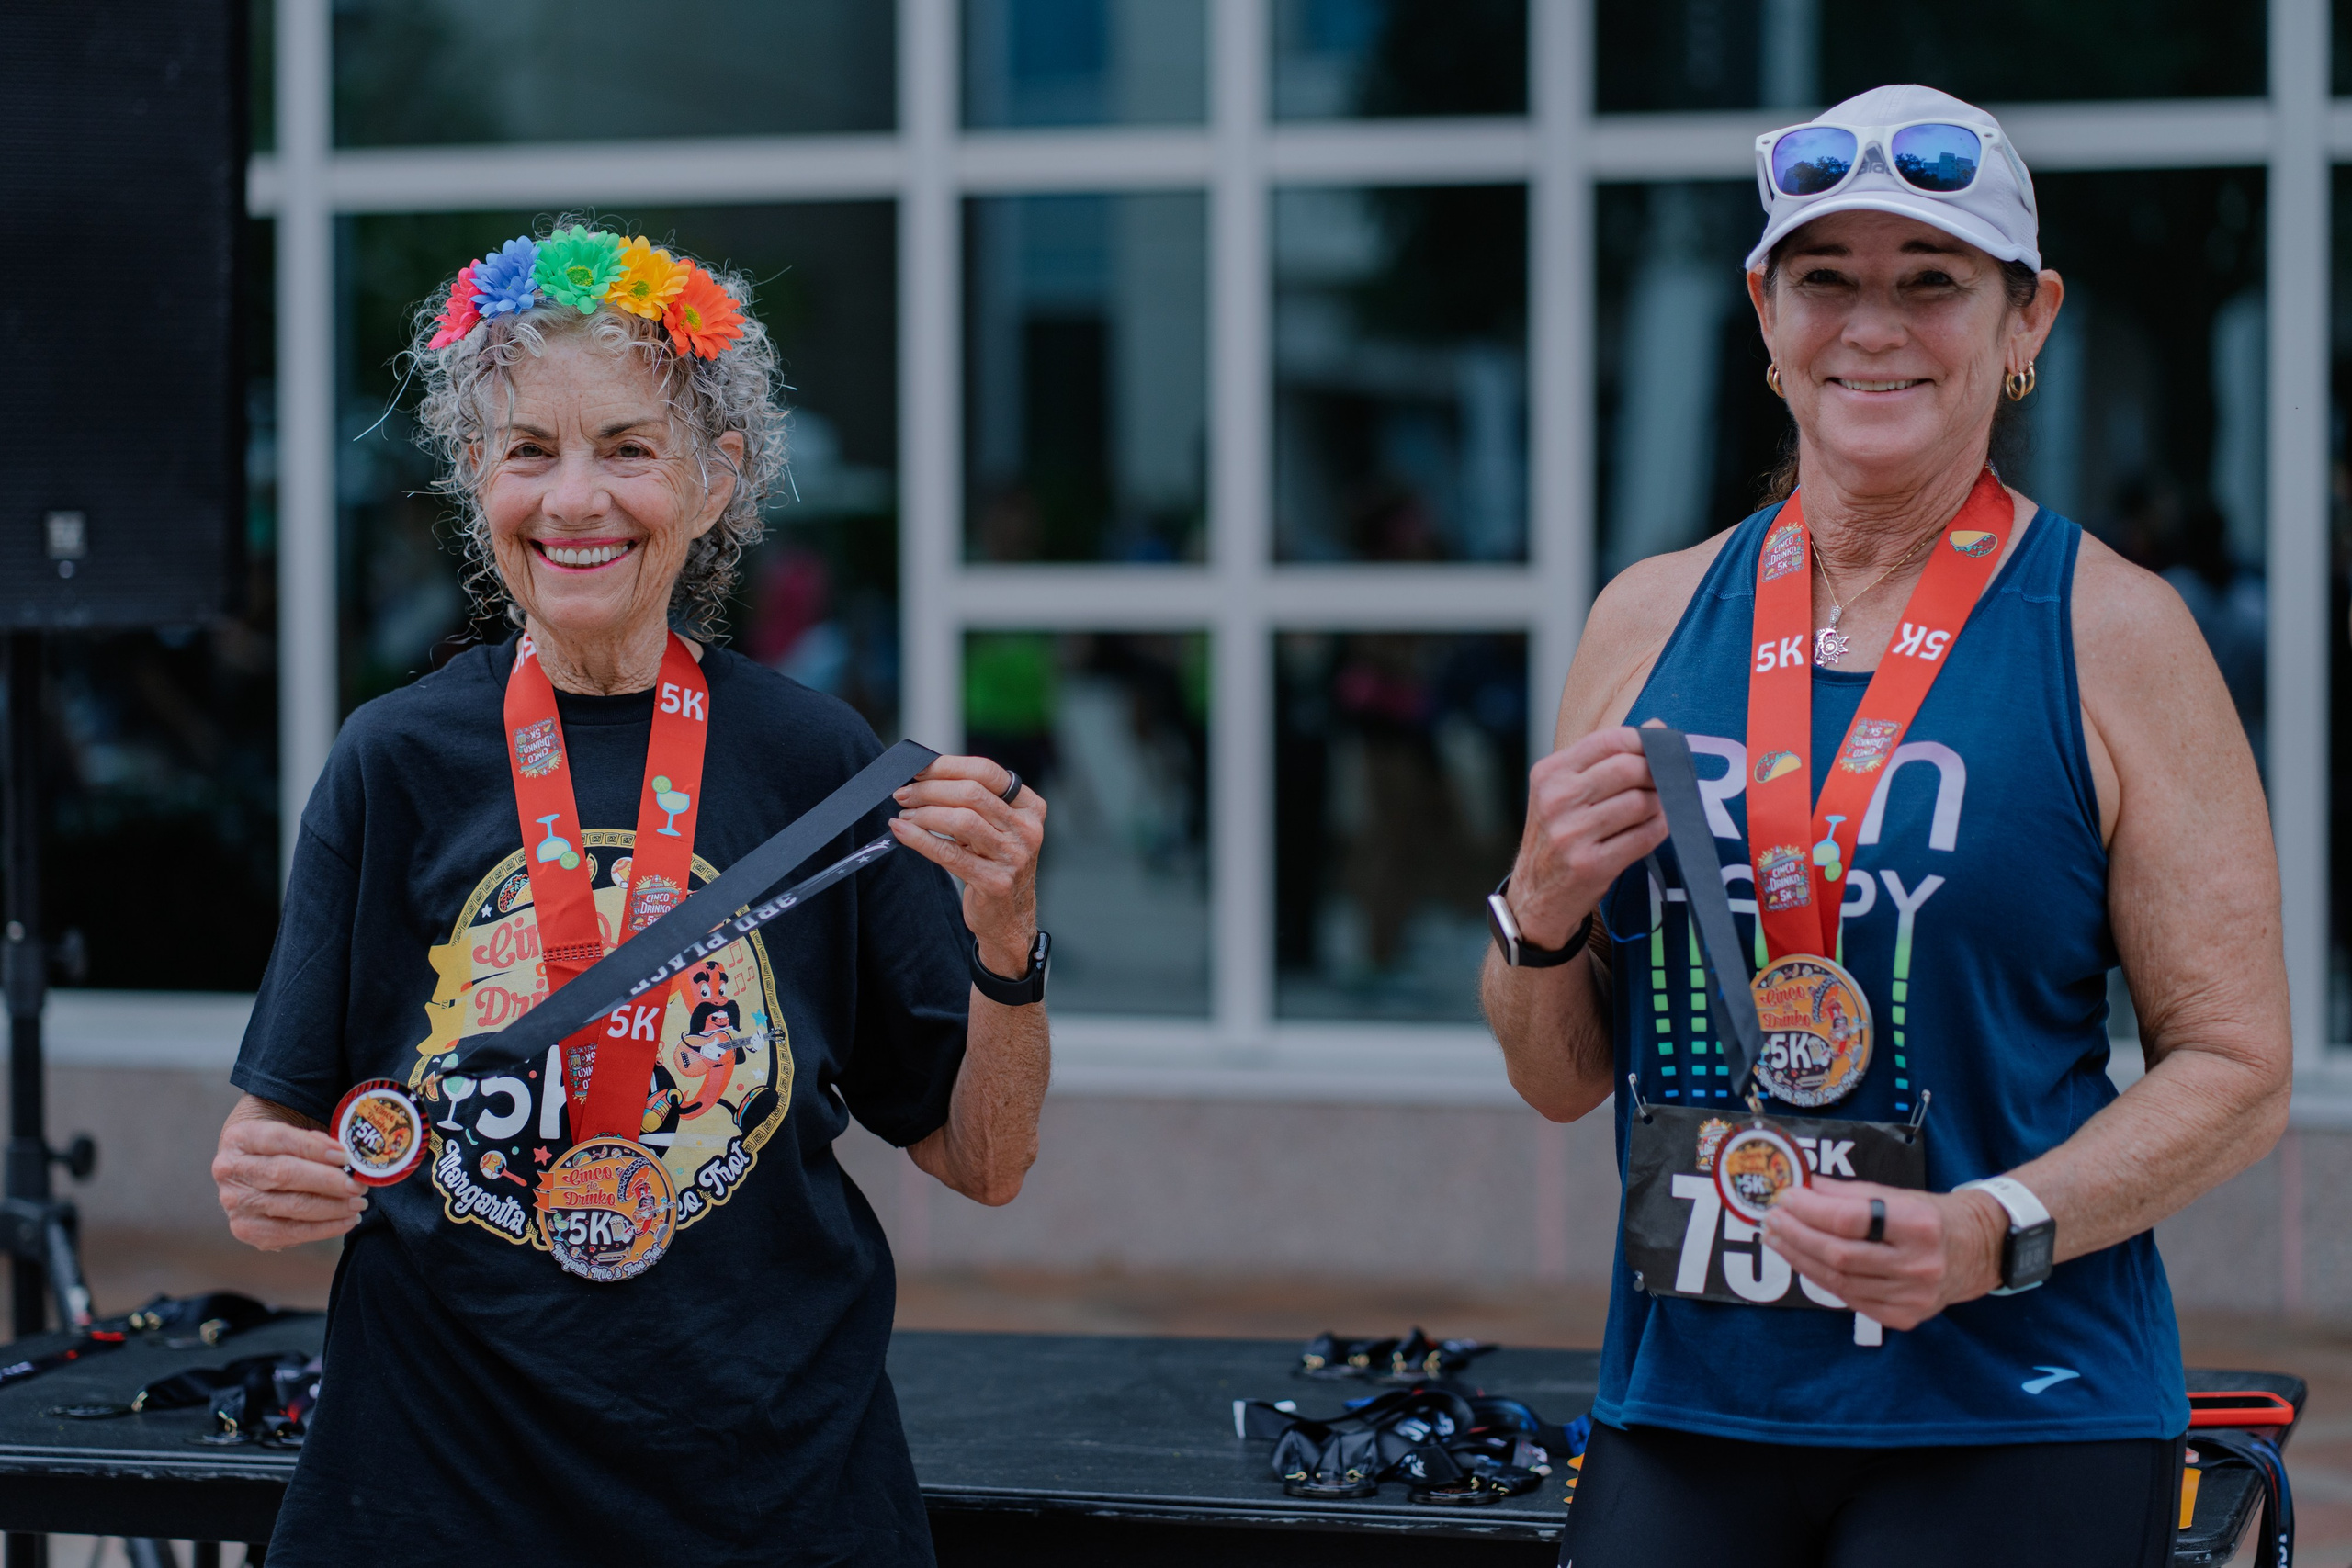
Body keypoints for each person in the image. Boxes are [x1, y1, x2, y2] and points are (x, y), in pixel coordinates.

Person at [1481, 86, 2290, 1566]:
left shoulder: (2116, 633)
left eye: (1933, 283)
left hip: (2015, 1399)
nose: (1873, 327)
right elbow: (1556, 1078)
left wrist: (1992, 1227)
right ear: (1765, 314)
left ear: (2024, 322)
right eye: (1827, 280)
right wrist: (1533, 910)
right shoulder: (1644, 621)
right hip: (1691, 1395)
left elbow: (2238, 1070)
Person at [210, 220, 1052, 1565]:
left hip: (766, 1493)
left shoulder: (823, 766)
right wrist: (265, 1178)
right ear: (477, 476)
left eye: (628, 448)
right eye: (529, 449)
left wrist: (1008, 944)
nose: (574, 498)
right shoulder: (392, 760)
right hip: (439, 1488)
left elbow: (986, 1162)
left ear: (715, 482)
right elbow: (273, 1145)